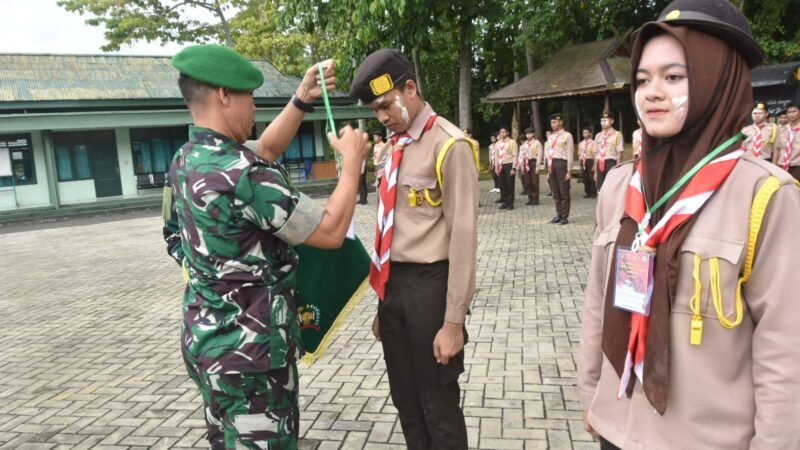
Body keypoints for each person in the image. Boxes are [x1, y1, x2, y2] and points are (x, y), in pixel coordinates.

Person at [579, 2, 800, 449]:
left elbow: (785, 347)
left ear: (717, 81)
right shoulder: (620, 185)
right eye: (643, 80)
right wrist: (590, 394)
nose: (652, 93)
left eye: (674, 77)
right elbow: (597, 303)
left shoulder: (765, 196)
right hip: (618, 429)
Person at [166, 44, 370, 449]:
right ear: (225, 95)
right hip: (252, 359)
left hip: (209, 346)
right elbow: (331, 232)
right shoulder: (244, 175)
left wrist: (302, 97)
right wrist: (352, 165)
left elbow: (268, 148)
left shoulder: (188, 159)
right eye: (250, 96)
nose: (255, 107)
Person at [350, 48, 478, 449]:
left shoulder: (449, 145)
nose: (382, 117)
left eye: (386, 105)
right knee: (406, 402)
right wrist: (383, 303)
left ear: (410, 88)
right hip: (395, 289)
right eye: (375, 111)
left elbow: (463, 239)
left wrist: (453, 322)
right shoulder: (392, 148)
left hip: (430, 288)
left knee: (438, 406)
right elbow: (390, 229)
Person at [545, 113, 574, 224]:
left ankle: (564, 216)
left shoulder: (567, 136)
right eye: (551, 122)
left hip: (562, 164)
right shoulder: (551, 137)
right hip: (552, 164)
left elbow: (570, 153)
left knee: (564, 191)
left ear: (561, 122)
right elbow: (548, 154)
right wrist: (548, 170)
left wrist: (569, 170)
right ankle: (558, 214)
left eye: (554, 122)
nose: (552, 124)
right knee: (555, 192)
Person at [594, 111, 624, 190]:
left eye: (605, 120)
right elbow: (596, 154)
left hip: (611, 162)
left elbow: (620, 153)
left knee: (611, 186)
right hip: (600, 163)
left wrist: (618, 168)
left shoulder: (617, 135)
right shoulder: (598, 136)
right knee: (600, 188)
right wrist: (595, 172)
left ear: (612, 121)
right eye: (602, 120)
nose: (603, 122)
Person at [496, 126, 518, 210]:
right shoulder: (498, 143)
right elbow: (497, 156)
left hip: (509, 164)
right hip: (500, 165)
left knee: (510, 184)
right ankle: (505, 202)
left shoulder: (512, 142)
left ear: (508, 133)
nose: (502, 134)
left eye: (504, 132)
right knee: (502, 184)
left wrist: (513, 168)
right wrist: (496, 167)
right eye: (501, 132)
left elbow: (515, 155)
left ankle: (510, 203)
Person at [518, 127, 542, 205]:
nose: (528, 135)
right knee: (527, 182)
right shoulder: (524, 144)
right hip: (526, 163)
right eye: (527, 134)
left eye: (530, 133)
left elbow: (539, 155)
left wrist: (538, 166)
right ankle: (530, 198)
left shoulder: (537, 143)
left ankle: (535, 199)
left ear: (533, 134)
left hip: (533, 162)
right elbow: (521, 155)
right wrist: (521, 165)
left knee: (534, 181)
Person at [779, 101, 800, 181]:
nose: (791, 114)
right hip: (782, 165)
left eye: (794, 112)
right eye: (789, 112)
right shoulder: (781, 129)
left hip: (797, 166)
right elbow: (776, 150)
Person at [578, 126, 598, 198]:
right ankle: (587, 192)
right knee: (585, 178)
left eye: (586, 132)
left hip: (590, 160)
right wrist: (580, 165)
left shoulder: (593, 143)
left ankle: (593, 193)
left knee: (591, 178)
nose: (584, 134)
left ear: (590, 133)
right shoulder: (581, 143)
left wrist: (594, 165)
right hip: (583, 160)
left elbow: (595, 155)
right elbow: (580, 155)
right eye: (583, 133)